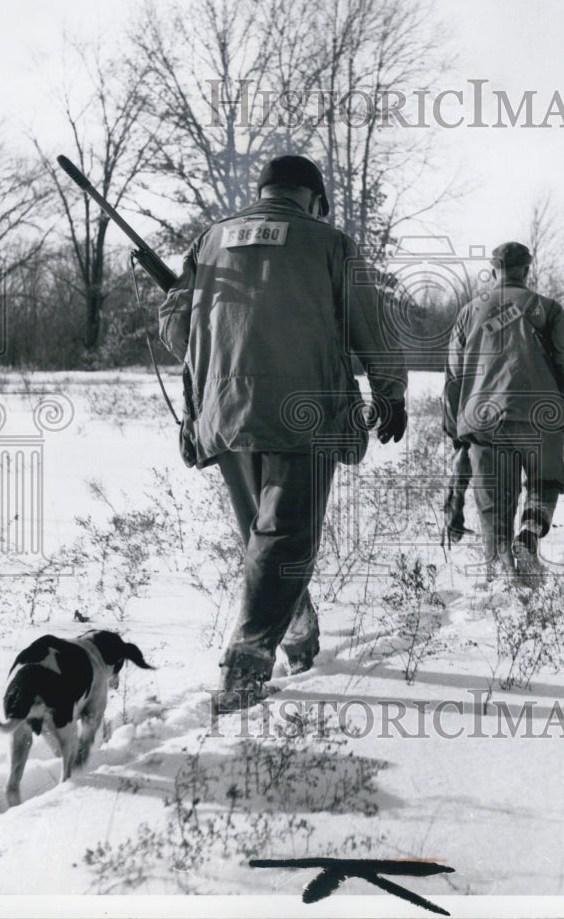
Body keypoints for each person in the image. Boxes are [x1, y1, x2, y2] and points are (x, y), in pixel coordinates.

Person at [158, 154, 407, 712]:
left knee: (262, 537)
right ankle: (245, 668)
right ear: (314, 200)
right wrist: (389, 392)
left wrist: (224, 350)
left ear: (264, 191)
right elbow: (370, 323)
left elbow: (176, 329)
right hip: (305, 411)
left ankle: (299, 630)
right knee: (285, 538)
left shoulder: (210, 240)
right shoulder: (331, 243)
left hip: (226, 411)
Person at [443, 241, 564, 584]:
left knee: (494, 501)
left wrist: (454, 429)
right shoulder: (547, 309)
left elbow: (454, 377)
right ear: (527, 269)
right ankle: (530, 535)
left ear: (493, 271)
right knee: (544, 481)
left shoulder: (468, 313)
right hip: (541, 416)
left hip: (484, 419)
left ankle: (501, 570)